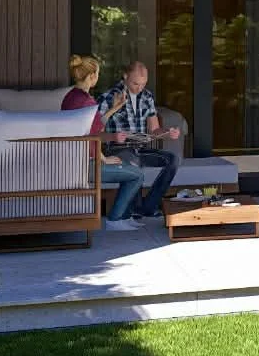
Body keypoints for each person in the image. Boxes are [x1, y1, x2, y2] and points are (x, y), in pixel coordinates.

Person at [62, 55, 145, 232]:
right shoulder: (87, 101)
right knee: (136, 174)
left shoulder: (70, 97)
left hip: (73, 162)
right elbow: (91, 136)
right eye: (98, 73)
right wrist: (104, 159)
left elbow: (94, 125)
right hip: (87, 166)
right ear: (92, 76)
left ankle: (123, 217)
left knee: (129, 169)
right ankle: (115, 219)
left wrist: (114, 108)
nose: (98, 77)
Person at [98, 60, 182, 218]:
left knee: (172, 160)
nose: (140, 88)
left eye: (143, 84)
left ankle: (148, 207)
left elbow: (155, 129)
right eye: (136, 84)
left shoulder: (147, 96)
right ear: (125, 76)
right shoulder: (109, 97)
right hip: (117, 148)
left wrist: (168, 133)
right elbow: (96, 134)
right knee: (133, 162)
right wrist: (114, 136)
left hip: (140, 148)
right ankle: (132, 210)